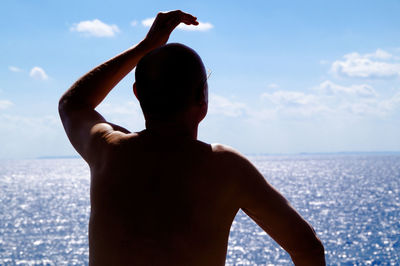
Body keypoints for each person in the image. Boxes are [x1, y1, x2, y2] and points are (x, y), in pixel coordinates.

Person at [59, 10, 325, 266]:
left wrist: (146, 45)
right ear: (202, 100)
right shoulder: (225, 168)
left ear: (138, 93)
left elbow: (74, 104)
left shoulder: (108, 151)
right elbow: (307, 246)